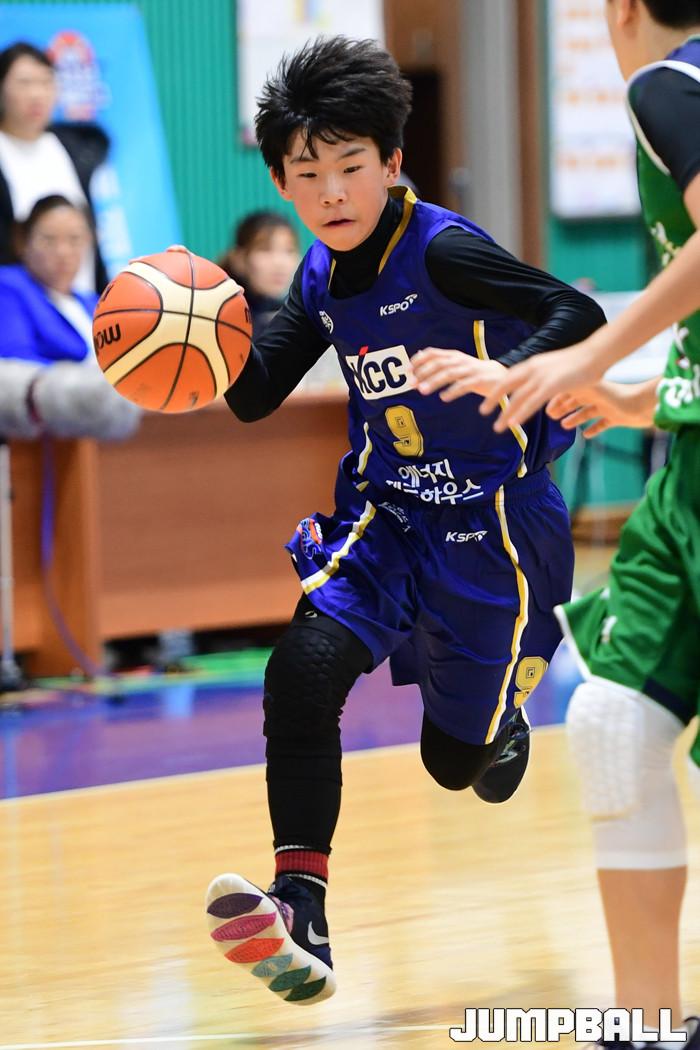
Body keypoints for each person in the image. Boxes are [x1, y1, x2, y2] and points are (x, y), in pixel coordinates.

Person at [204, 35, 605, 1005]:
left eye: (351, 167)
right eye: (308, 174)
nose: (331, 192)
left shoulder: (443, 250)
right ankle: (301, 909)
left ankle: (497, 718)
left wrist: (505, 374)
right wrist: (194, 337)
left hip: (493, 527)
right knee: (300, 671)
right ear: (280, 182)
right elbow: (254, 396)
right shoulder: (317, 275)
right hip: (385, 513)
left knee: (456, 763)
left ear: (391, 163)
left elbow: (579, 314)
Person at [423, 0, 700, 1041]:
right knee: (614, 720)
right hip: (687, 477)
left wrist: (588, 353)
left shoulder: (667, 85)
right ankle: (646, 1024)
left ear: (619, 9)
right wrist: (638, 395)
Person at [0, 194, 138, 440]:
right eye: (49, 240)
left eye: (75, 240)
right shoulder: (9, 287)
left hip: (111, 431)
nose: (63, 251)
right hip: (51, 435)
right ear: (23, 242)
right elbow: (16, 362)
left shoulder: (94, 302)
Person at [0, 41, 109, 292]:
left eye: (46, 81)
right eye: (24, 83)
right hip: (16, 302)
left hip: (81, 300)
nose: (37, 94)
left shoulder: (74, 147)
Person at [218, 211, 300, 340]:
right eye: (265, 249)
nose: (279, 263)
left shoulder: (298, 315)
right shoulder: (221, 319)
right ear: (239, 259)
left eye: (289, 250)